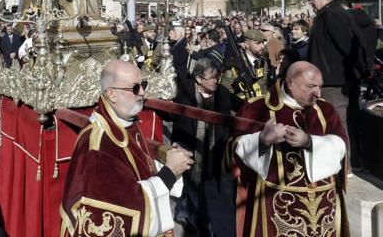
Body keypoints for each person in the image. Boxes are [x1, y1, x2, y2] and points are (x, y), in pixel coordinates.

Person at [61, 60, 193, 237]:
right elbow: (126, 207)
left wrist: (169, 157)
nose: (143, 93)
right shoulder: (97, 146)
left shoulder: (124, 122)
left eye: (143, 85)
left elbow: (138, 170)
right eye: (135, 88)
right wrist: (169, 172)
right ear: (112, 94)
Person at [233, 61, 349, 236]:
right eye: (311, 87)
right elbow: (233, 149)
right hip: (275, 206)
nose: (318, 93)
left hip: (324, 206)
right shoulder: (258, 107)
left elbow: (342, 145)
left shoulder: (325, 110)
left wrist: (309, 142)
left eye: (320, 86)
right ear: (290, 82)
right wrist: (262, 141)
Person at [307, 0, 368, 170]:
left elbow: (350, 45)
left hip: (336, 80)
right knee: (340, 120)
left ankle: (345, 165)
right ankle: (350, 161)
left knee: (337, 121)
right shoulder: (328, 14)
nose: (311, 3)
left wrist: (359, 71)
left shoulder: (332, 14)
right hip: (334, 78)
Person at [172, 58, 234, 236]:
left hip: (214, 147)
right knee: (192, 183)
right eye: (211, 78)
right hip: (189, 144)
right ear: (199, 79)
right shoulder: (184, 90)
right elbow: (173, 116)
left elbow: (226, 121)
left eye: (217, 77)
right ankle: (196, 223)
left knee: (211, 187)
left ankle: (198, 216)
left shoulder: (222, 92)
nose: (215, 81)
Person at [221, 29, 271, 110]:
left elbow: (263, 87)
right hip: (242, 110)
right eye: (258, 43)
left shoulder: (263, 63)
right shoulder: (234, 65)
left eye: (263, 43)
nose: (262, 46)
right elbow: (225, 92)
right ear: (247, 44)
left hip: (261, 108)